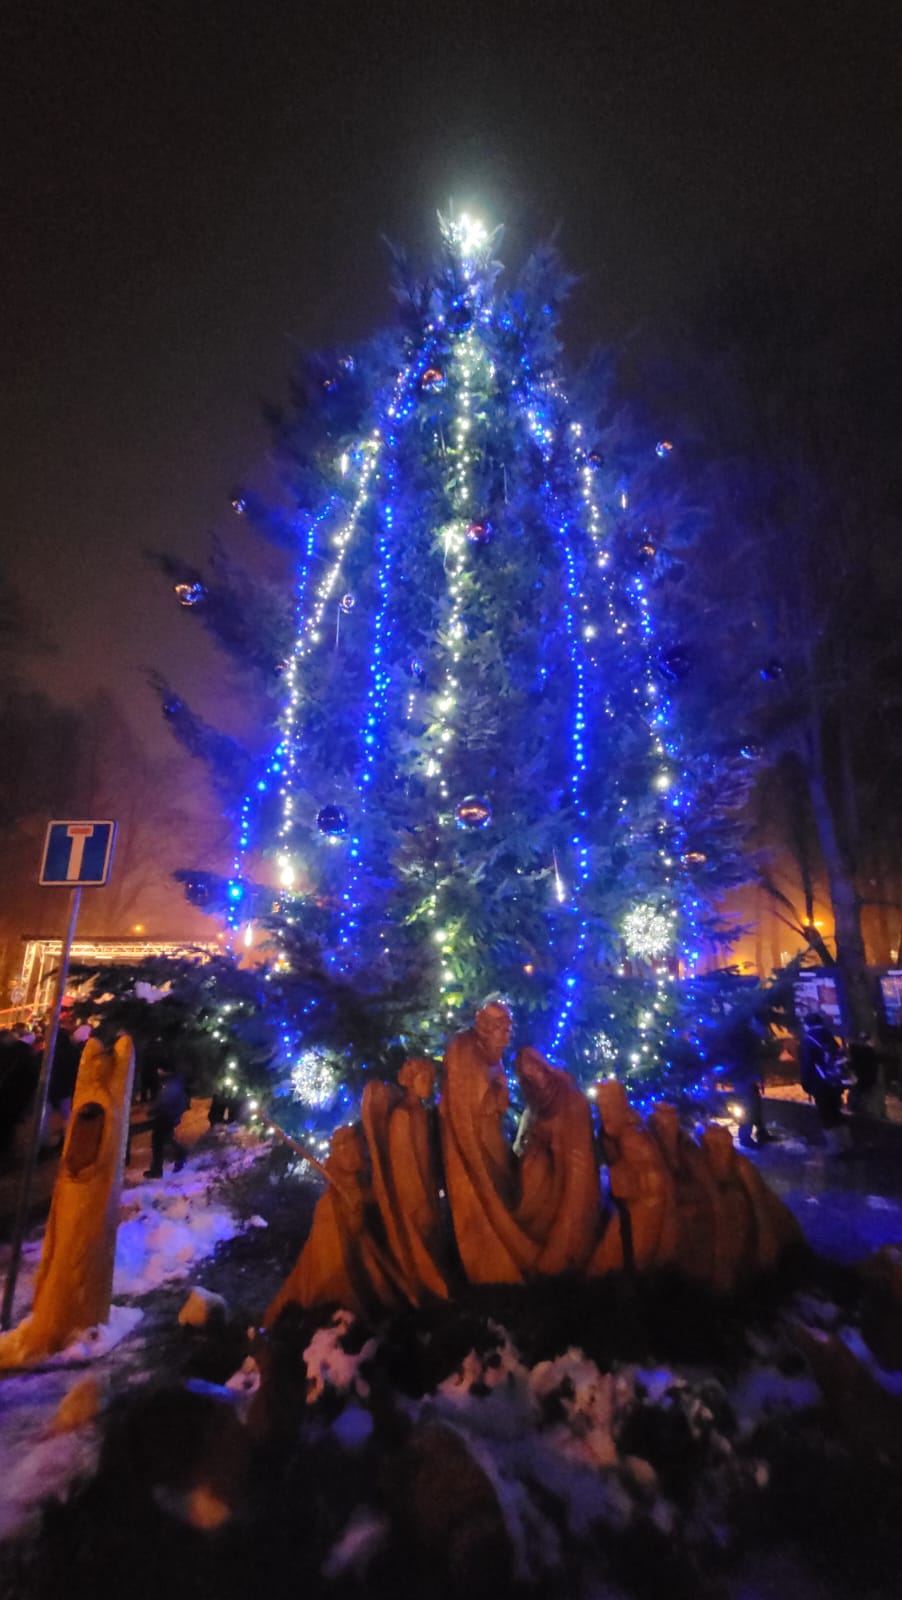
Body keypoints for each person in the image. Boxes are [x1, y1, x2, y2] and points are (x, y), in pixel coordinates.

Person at [440, 999, 537, 1283]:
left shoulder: (492, 1054)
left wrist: (499, 1093)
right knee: (486, 1188)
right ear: (485, 1027)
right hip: (476, 1137)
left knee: (503, 1183)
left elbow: (497, 1098)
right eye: (500, 1028)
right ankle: (490, 1261)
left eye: (508, 1028)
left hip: (492, 1133)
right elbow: (468, 1104)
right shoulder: (465, 1049)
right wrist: (495, 1096)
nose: (507, 1035)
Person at [514, 1046, 601, 1275]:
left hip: (569, 1186)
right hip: (546, 1182)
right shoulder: (537, 1108)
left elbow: (578, 1177)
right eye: (526, 1077)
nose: (534, 1077)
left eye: (536, 1069)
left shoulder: (571, 1102)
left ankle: (563, 1252)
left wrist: (559, 1246)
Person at [799, 1012, 851, 1155]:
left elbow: (807, 1065)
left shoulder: (808, 1040)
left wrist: (806, 1084)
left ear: (807, 1024)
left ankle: (835, 1146)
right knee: (836, 1111)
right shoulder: (829, 1037)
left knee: (826, 1114)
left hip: (819, 1084)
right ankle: (847, 1143)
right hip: (834, 1082)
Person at [144, 1061, 189, 1179]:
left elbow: (165, 1101)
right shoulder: (172, 1083)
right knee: (164, 1141)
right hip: (167, 1116)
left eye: (161, 1071)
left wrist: (155, 1109)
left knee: (159, 1142)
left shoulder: (172, 1085)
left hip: (166, 1117)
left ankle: (159, 1168)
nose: (159, 1073)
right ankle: (177, 1157)